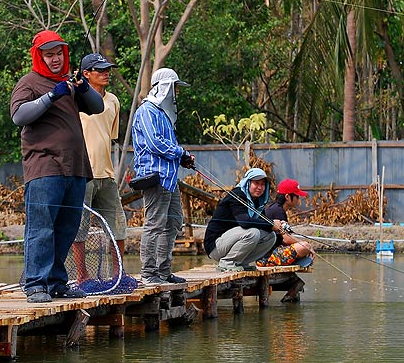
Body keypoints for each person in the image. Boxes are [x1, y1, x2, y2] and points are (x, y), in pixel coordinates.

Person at [10, 30, 104, 303]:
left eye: (58, 54)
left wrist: (83, 87)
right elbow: (18, 116)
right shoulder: (29, 83)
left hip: (74, 168)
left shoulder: (69, 83)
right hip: (44, 168)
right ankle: (35, 284)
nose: (54, 59)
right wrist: (52, 95)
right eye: (48, 55)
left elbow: (96, 107)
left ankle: (56, 282)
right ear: (39, 57)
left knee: (67, 227)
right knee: (42, 227)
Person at [131, 67, 195, 285]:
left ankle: (163, 271)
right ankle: (149, 273)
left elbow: (169, 145)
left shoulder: (163, 114)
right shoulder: (147, 111)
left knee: (174, 221)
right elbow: (154, 143)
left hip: (170, 177)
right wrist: (181, 152)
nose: (176, 93)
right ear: (165, 88)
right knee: (155, 224)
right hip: (155, 176)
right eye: (174, 87)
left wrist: (182, 158)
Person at [73, 53, 127, 282]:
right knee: (79, 228)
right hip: (82, 173)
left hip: (107, 174)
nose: (106, 73)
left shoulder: (113, 100)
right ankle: (81, 276)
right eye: (100, 70)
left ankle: (119, 274)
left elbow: (110, 136)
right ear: (86, 74)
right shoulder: (75, 99)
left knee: (118, 225)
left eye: (107, 69)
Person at [203, 167, 293, 272]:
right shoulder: (237, 195)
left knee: (270, 236)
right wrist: (271, 224)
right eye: (256, 183)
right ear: (248, 182)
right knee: (253, 233)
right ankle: (227, 262)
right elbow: (244, 222)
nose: (259, 187)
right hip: (216, 246)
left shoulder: (258, 201)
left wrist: (278, 227)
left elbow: (264, 223)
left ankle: (241, 262)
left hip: (232, 241)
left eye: (262, 184)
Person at [258, 178, 314, 265]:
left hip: (266, 255)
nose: (298, 200)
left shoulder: (275, 208)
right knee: (305, 246)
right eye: (297, 196)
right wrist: (307, 246)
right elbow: (286, 239)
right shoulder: (278, 211)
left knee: (304, 246)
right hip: (267, 258)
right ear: (287, 197)